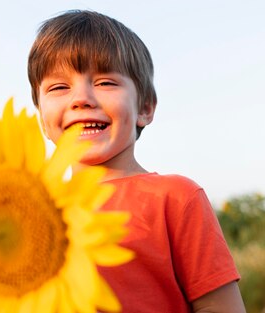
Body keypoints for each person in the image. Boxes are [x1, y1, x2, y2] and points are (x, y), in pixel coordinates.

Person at [27, 9, 246, 313]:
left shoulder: (176, 197)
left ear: (144, 107)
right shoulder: (32, 212)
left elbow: (220, 308)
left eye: (105, 82)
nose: (81, 98)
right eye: (59, 87)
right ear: (42, 121)